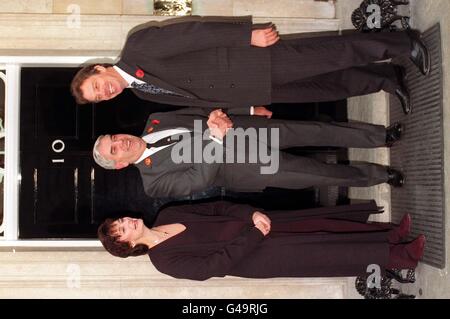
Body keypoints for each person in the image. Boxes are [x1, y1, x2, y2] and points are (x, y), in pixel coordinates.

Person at [71, 16, 430, 115]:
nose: (105, 92)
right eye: (100, 98)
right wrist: (246, 107)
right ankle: (386, 78)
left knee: (332, 53)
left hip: (251, 59)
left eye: (97, 85)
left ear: (100, 69)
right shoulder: (142, 93)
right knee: (327, 87)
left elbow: (194, 34)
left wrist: (247, 36)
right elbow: (198, 100)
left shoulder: (137, 48)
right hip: (253, 88)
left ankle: (403, 43)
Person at [92, 108, 405, 198]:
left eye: (115, 137)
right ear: (119, 165)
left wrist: (221, 114)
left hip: (247, 129)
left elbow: (200, 108)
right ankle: (380, 176)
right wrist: (214, 140)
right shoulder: (152, 182)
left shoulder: (154, 120)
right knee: (320, 173)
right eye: (114, 149)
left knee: (317, 130)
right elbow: (198, 180)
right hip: (249, 168)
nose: (121, 142)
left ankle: (382, 136)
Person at [97, 200, 426, 281]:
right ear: (127, 246)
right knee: (327, 250)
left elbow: (216, 205)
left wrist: (251, 214)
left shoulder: (167, 214)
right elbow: (215, 266)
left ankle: (390, 233)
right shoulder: (164, 262)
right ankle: (400, 256)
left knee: (322, 225)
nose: (127, 222)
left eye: (121, 221)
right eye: (122, 230)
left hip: (260, 224)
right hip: (260, 254)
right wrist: (255, 234)